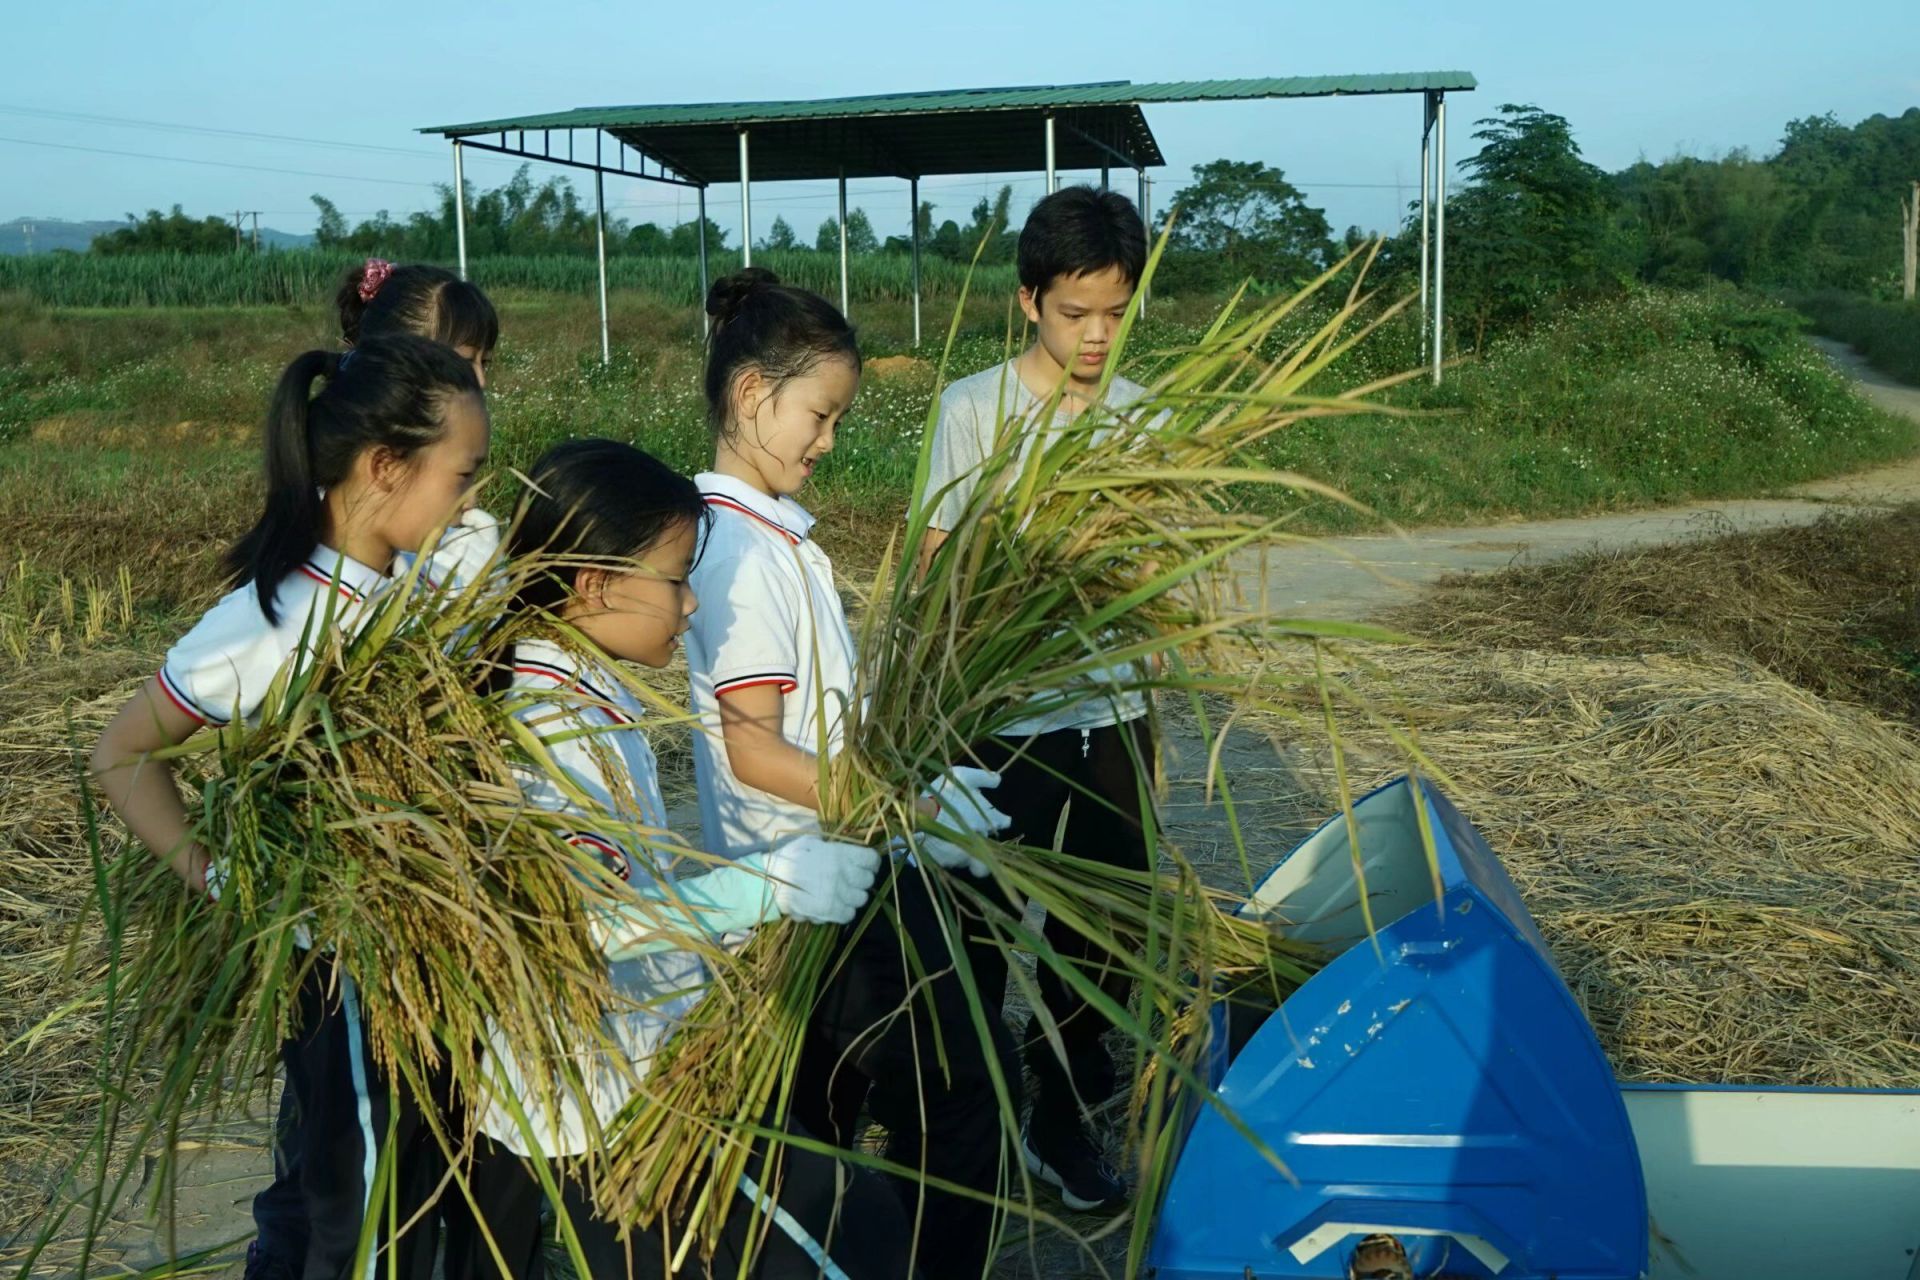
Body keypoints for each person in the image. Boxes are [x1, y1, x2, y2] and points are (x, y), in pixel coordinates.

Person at [444, 437, 917, 1279]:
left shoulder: (581, 693)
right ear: (594, 585)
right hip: (605, 1102)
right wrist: (761, 890)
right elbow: (584, 925)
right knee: (858, 1234)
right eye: (675, 580)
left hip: (620, 1081)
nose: (693, 607)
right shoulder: (553, 729)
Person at [90, 335, 493, 1280]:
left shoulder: (413, 594)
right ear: (386, 467)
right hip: (341, 966)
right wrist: (222, 877)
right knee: (361, 1213)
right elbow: (120, 754)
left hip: (429, 957)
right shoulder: (269, 625)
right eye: (462, 478)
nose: (471, 502)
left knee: (391, 1194)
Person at [682, 268, 1014, 1279]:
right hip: (819, 876)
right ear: (750, 396)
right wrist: (905, 805)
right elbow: (756, 748)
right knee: (957, 1106)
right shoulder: (735, 548)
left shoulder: (768, 534)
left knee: (810, 1109)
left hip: (830, 870)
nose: (828, 441)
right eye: (818, 416)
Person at [245, 257, 502, 1279]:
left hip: (432, 887)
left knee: (391, 1145)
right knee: (335, 1163)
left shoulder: (460, 528)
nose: (476, 389)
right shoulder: (321, 564)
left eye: (483, 368)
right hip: (350, 909)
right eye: (457, 365)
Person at [915, 186, 1156, 1212]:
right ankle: (973, 1107)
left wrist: (1152, 725)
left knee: (1110, 926)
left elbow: (1158, 579)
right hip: (1003, 717)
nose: (1097, 334)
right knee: (981, 926)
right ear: (1029, 302)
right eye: (1075, 311)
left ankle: (1059, 1109)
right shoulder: (974, 410)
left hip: (1114, 714)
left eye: (1116, 310)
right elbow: (934, 570)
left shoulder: (1148, 416)